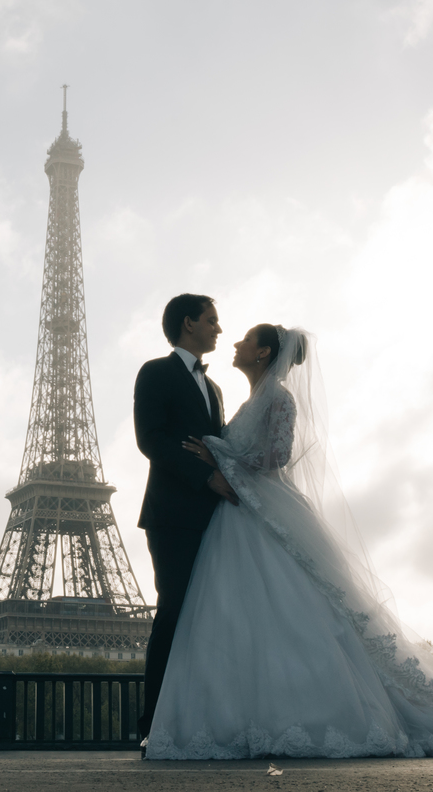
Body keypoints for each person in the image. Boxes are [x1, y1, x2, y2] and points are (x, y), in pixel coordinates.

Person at [145, 324, 433, 759]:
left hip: (254, 512)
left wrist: (221, 454)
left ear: (263, 352)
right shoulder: (240, 397)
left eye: (245, 339)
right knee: (239, 615)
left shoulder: (278, 398)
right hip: (238, 515)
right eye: (219, 326)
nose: (232, 339)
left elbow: (277, 458)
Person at [133, 294, 239, 743]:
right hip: (174, 514)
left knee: (212, 618)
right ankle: (154, 726)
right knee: (173, 612)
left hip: (214, 517)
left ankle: (199, 720)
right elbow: (151, 439)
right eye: (212, 320)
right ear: (188, 322)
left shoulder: (214, 389)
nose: (219, 328)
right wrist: (205, 478)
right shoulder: (155, 372)